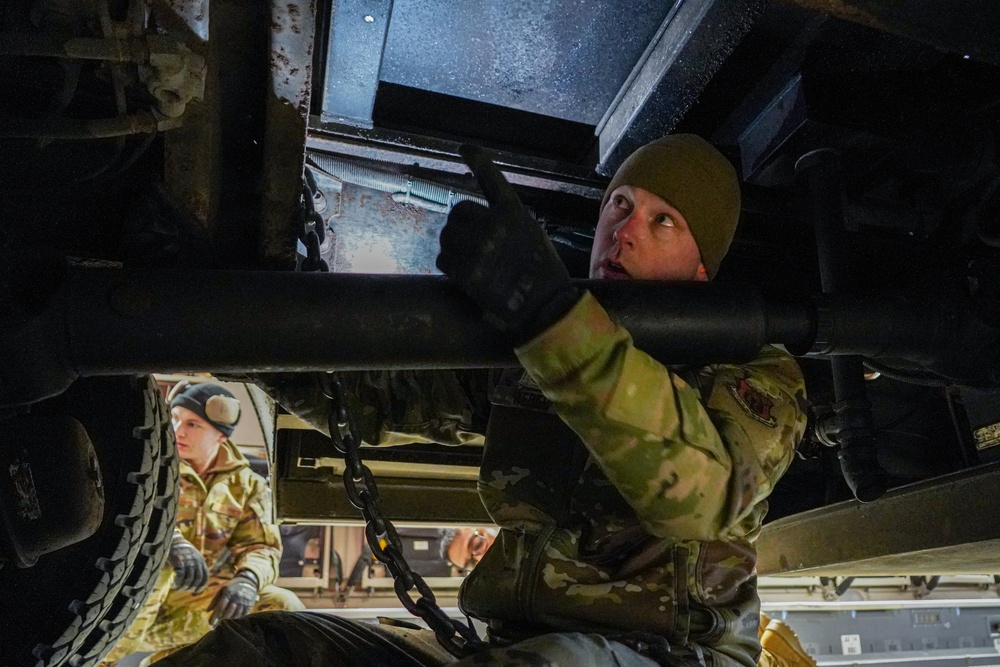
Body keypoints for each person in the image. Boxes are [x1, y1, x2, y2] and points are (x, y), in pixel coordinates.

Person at [153, 135, 807, 667]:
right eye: (622, 205)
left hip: (671, 655)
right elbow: (370, 399)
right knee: (264, 650)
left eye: (663, 220)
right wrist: (239, 313)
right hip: (514, 646)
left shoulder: (753, 367)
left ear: (702, 267)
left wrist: (550, 315)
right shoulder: (535, 349)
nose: (628, 230)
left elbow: (699, 494)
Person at [101, 382, 305, 665]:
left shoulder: (246, 486)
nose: (178, 429)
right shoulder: (149, 467)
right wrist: (168, 543)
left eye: (193, 424)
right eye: (175, 418)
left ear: (220, 437)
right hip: (124, 605)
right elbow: (115, 517)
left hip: (189, 606)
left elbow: (262, 547)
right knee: (156, 572)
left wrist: (248, 579)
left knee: (281, 606)